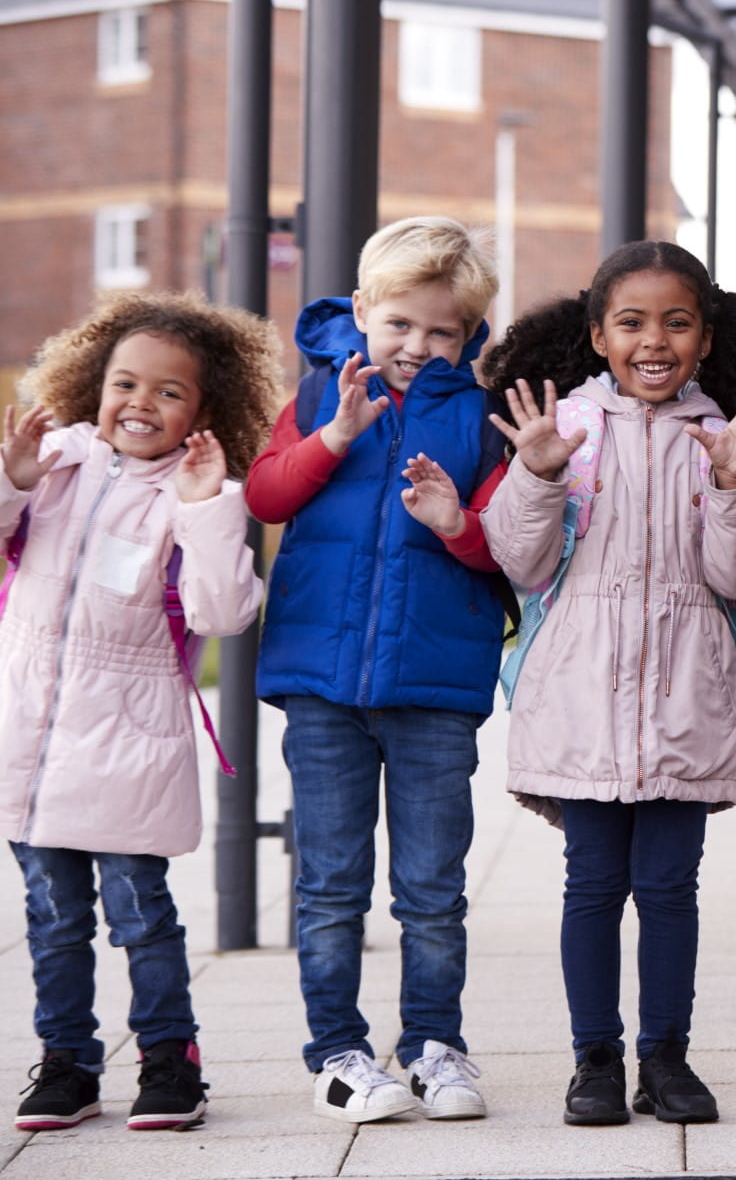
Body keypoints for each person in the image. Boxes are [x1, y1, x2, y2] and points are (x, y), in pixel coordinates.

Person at [480, 240, 736, 1128]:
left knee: (672, 890)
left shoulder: (723, 433)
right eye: (633, 323)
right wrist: (534, 472)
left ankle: (667, 1058)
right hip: (580, 698)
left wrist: (731, 480)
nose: (655, 341)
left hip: (687, 694)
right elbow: (521, 560)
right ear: (599, 335)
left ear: (706, 335)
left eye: (677, 323)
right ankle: (594, 1062)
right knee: (591, 886)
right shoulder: (561, 426)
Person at [246, 216, 505, 1123]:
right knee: (328, 884)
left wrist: (454, 524)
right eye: (399, 324)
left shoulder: (480, 417)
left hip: (435, 692)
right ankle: (339, 1052)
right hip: (322, 688)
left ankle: (435, 1044)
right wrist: (332, 438)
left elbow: (506, 551)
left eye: (441, 332)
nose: (416, 346)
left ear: (468, 336)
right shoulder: (321, 393)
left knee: (433, 889)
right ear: (361, 312)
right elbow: (265, 494)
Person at [3, 291, 282, 1131]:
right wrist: (10, 484)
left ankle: (169, 1058)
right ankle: (67, 1062)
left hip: (129, 732)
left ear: (205, 409)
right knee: (52, 919)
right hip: (29, 728)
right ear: (94, 382)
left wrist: (204, 508)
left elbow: (224, 612)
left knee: (140, 914)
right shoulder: (54, 462)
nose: (142, 404)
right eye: (127, 383)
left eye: (170, 392)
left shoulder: (194, 492)